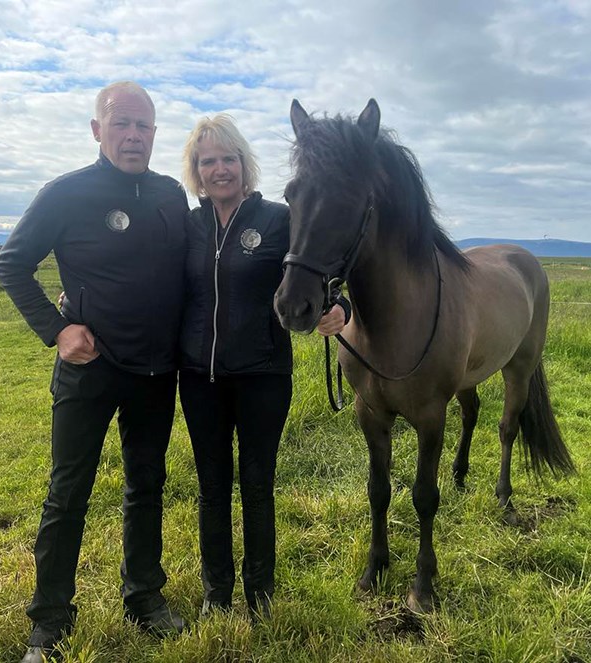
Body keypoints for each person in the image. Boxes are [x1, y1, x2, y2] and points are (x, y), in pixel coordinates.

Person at [0, 81, 189, 663]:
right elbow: (12, 264)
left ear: (155, 134)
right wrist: (57, 331)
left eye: (144, 126)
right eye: (122, 123)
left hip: (156, 371)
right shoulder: (66, 194)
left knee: (146, 485)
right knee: (68, 491)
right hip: (89, 369)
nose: (134, 135)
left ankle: (145, 598)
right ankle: (49, 622)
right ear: (97, 130)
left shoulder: (170, 194)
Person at [177, 114, 347, 620]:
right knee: (211, 485)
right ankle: (216, 591)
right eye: (209, 161)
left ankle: (260, 592)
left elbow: (326, 272)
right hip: (198, 376)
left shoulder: (278, 218)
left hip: (263, 375)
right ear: (197, 169)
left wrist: (343, 310)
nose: (220, 169)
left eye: (229, 159)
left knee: (256, 482)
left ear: (244, 165)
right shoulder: (187, 224)